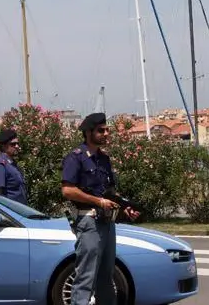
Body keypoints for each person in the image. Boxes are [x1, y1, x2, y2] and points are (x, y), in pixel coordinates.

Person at [61, 112, 139, 305]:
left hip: (107, 221)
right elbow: (68, 190)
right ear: (88, 133)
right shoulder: (76, 158)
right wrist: (98, 201)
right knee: (86, 277)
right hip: (89, 222)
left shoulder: (104, 159)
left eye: (107, 130)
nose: (106, 134)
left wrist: (125, 209)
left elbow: (109, 193)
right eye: (101, 131)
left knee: (107, 277)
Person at [0, 129, 28, 205]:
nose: (17, 146)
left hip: (20, 210)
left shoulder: (11, 162)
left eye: (17, 143)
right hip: (10, 212)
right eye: (13, 144)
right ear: (3, 146)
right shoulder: (0, 165)